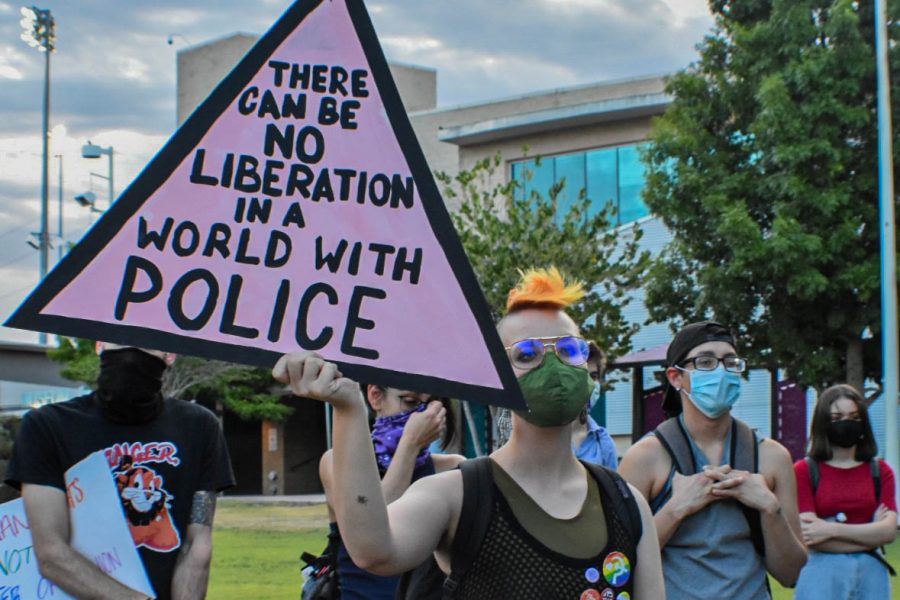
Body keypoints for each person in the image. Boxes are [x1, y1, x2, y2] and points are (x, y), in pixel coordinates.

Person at [275, 267, 665, 599]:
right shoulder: (458, 493)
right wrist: (349, 408)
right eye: (527, 354)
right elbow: (373, 550)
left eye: (569, 350)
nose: (555, 364)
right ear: (495, 378)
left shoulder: (626, 503)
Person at [6, 342, 235, 600]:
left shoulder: (199, 426)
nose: (130, 352)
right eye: (119, 338)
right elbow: (50, 552)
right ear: (99, 345)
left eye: (144, 339)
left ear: (170, 353)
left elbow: (197, 546)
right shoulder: (48, 426)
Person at [618, 321, 806, 599]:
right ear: (675, 377)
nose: (720, 371)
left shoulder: (770, 457)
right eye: (705, 362)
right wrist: (676, 509)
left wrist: (770, 508)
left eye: (730, 362)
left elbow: (791, 574)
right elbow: (618, 565)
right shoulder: (646, 457)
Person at [318, 385, 464, 599]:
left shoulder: (452, 468)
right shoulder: (336, 462)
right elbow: (374, 527)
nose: (421, 416)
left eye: (431, 404)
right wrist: (410, 445)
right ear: (375, 397)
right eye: (410, 402)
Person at [793, 383, 897, 599]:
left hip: (872, 576)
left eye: (853, 416)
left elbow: (888, 532)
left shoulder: (880, 471)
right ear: (823, 423)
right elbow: (810, 534)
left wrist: (831, 529)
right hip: (821, 575)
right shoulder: (804, 471)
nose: (846, 423)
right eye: (837, 417)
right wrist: (870, 533)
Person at [572, 341, 618, 468]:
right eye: (580, 375)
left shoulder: (604, 443)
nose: (589, 384)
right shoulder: (538, 438)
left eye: (593, 376)